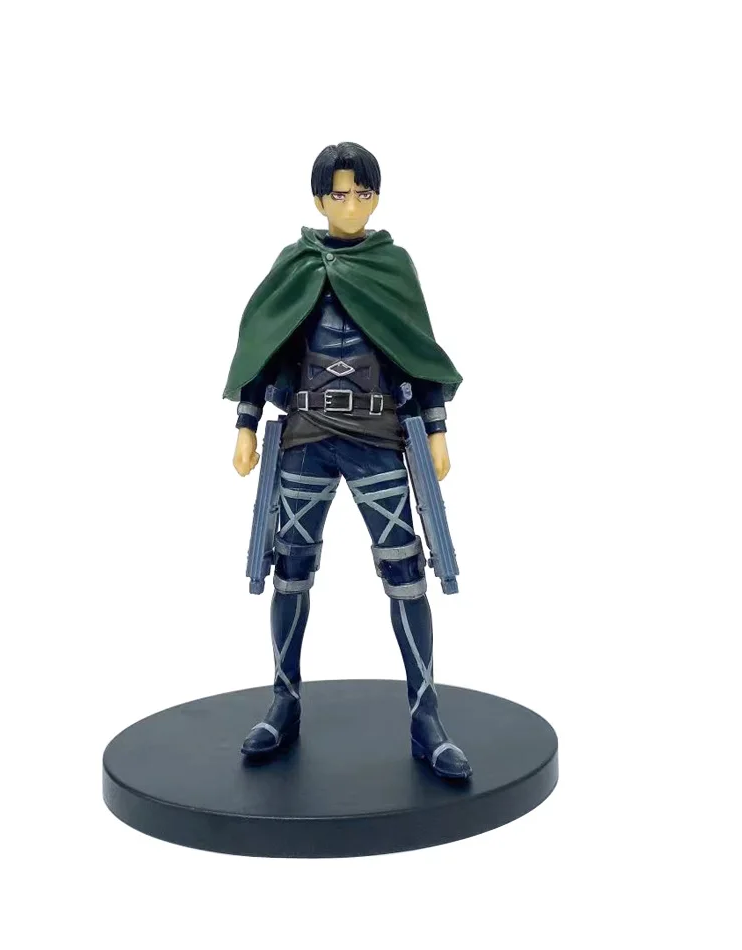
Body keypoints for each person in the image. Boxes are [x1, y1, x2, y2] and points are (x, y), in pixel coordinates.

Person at [223, 142, 472, 779]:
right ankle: (284, 701)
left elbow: (417, 348)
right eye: (340, 194)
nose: (352, 205)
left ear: (376, 197)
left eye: (363, 193)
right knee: (291, 568)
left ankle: (425, 716)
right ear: (319, 200)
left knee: (405, 569)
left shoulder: (393, 265)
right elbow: (264, 344)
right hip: (306, 433)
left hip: (376, 435)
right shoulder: (296, 264)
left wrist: (437, 430)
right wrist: (246, 423)